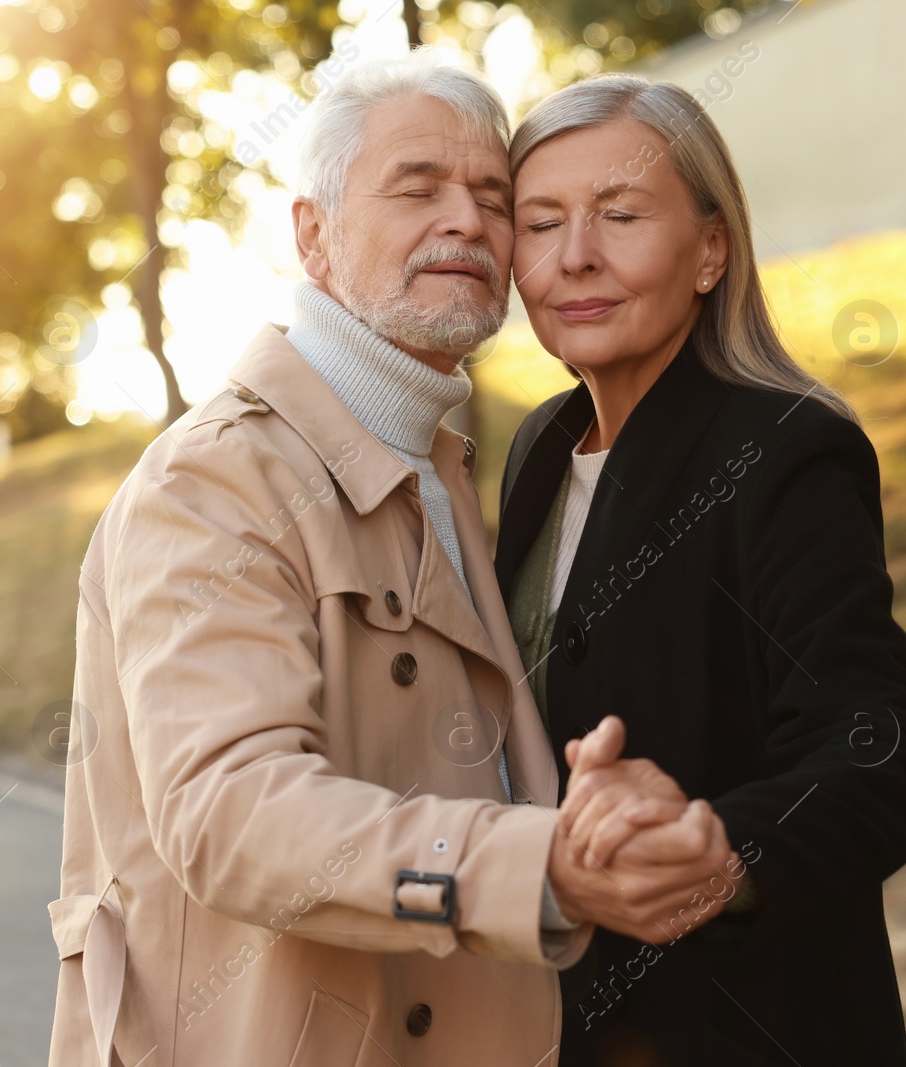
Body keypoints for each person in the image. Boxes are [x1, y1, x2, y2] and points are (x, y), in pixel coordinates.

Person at [48, 52, 731, 1067]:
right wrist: (535, 863)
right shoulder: (214, 480)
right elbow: (229, 815)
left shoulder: (438, 464)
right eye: (417, 189)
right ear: (313, 237)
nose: (466, 221)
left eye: (493, 198)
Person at [497, 74, 906, 1065]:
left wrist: (721, 849)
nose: (575, 255)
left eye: (619, 214)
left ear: (710, 250)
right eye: (541, 222)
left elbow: (879, 750)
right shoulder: (538, 449)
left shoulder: (785, 448)